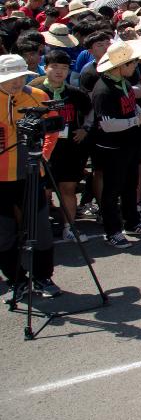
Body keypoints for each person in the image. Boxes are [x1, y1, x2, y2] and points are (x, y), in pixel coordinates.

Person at [0, 54, 62, 300]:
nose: (15, 83)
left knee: (41, 230)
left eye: (20, 77)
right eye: (9, 79)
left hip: (32, 174)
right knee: (3, 234)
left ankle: (43, 276)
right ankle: (16, 280)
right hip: (1, 180)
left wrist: (43, 155)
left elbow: (53, 129)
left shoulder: (38, 96)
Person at [90, 39, 141, 248]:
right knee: (112, 191)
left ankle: (132, 221)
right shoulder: (103, 90)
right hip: (112, 148)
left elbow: (132, 106)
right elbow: (107, 124)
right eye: (131, 63)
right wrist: (135, 121)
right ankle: (112, 231)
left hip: (129, 144)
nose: (135, 65)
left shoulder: (124, 83)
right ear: (120, 66)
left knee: (130, 185)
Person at [30, 48, 93, 242]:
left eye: (64, 68)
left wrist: (85, 129)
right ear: (45, 68)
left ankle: (69, 228)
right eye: (54, 67)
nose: (59, 71)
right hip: (44, 151)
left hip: (69, 149)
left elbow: (90, 111)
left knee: (68, 189)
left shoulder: (75, 93)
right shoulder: (36, 92)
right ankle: (38, 232)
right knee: (43, 192)